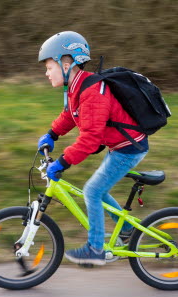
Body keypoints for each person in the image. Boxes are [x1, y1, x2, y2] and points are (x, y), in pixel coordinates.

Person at [36, 31, 149, 266]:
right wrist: (51, 134)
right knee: (100, 190)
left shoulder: (92, 92)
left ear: (66, 64)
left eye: (49, 67)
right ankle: (128, 230)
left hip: (129, 148)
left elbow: (89, 140)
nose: (46, 73)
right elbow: (70, 115)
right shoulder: (78, 87)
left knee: (92, 191)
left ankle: (95, 249)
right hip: (119, 145)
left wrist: (62, 162)